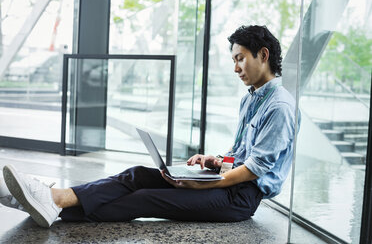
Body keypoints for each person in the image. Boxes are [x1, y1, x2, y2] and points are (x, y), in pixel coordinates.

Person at [1, 25, 299, 228]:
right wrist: (214, 162)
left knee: (146, 199)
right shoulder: (251, 100)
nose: (236, 68)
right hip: (229, 181)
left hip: (240, 198)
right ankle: (55, 199)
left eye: (240, 59)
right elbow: (239, 155)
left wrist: (198, 183)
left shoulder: (280, 107)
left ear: (263, 54)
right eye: (234, 60)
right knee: (138, 175)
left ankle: (50, 205)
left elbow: (252, 170)